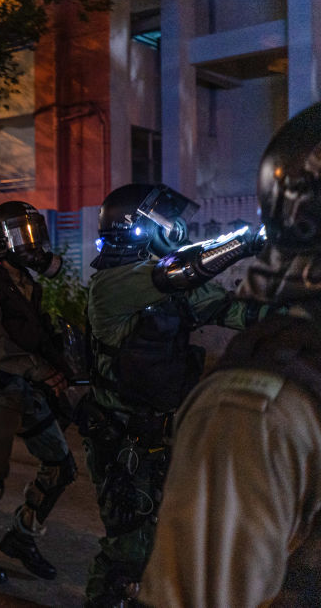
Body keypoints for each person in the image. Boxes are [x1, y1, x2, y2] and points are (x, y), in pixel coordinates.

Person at [139, 104, 321, 607]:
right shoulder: (263, 412)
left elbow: (216, 306)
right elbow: (182, 285)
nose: (169, 231)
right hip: (132, 411)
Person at [81, 183, 268, 606]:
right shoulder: (111, 285)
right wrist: (245, 242)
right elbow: (179, 273)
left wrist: (300, 314)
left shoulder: (167, 285)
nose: (178, 225)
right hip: (122, 443)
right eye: (166, 217)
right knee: (127, 555)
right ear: (135, 226)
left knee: (179, 545)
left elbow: (236, 312)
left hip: (169, 437)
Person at [0, 201, 74, 586]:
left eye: (35, 234)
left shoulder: (26, 283)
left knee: (61, 464)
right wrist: (43, 370)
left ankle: (21, 537)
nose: (32, 244)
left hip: (27, 390)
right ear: (0, 240)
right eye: (23, 236)